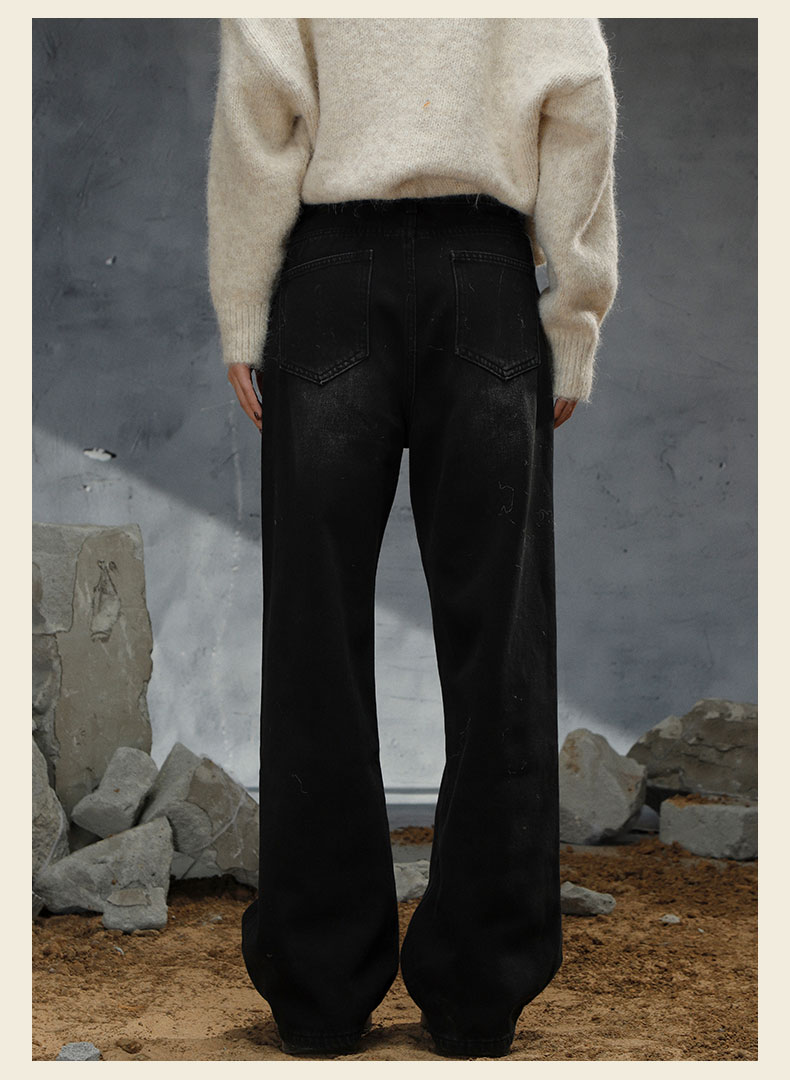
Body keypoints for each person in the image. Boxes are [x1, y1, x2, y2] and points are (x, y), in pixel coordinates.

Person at [206, 17, 619, 1060]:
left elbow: (260, 118)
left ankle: (318, 992)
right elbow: (580, 109)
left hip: (329, 279)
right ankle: (481, 993)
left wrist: (244, 310)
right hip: (486, 281)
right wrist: (573, 316)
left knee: (313, 640)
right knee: (501, 648)